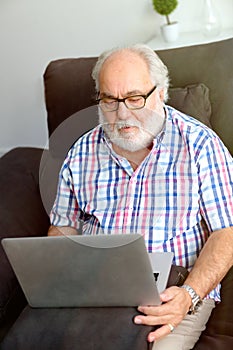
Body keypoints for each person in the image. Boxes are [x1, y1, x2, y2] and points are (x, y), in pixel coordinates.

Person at [48, 44, 233, 349]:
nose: (122, 114)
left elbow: (226, 232)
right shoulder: (81, 152)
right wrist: (56, 277)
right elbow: (63, 227)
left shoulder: (200, 146)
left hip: (170, 294)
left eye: (135, 99)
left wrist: (189, 295)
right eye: (110, 100)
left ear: (161, 93)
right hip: (97, 287)